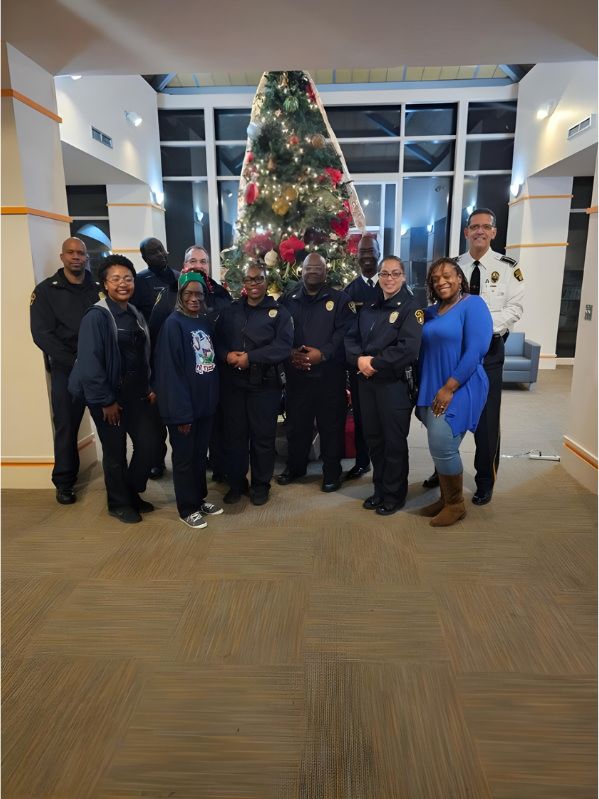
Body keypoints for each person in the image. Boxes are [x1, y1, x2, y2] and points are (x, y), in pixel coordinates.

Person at [422, 208, 524, 505]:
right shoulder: (452, 265)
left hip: (489, 349)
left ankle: (484, 480)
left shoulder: (508, 268)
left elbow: (514, 310)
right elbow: (438, 304)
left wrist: (477, 327)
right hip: (452, 351)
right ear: (466, 232)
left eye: (485, 227)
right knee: (441, 414)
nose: (479, 231)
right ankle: (441, 469)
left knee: (487, 419)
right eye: (474, 227)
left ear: (494, 232)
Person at [69, 255, 160, 523]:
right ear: (105, 283)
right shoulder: (97, 316)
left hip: (138, 394)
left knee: (150, 444)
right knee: (115, 452)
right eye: (116, 279)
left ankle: (131, 491)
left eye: (128, 278)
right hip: (109, 397)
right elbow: (89, 363)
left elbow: (146, 355)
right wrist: (106, 401)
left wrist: (151, 385)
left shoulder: (135, 313)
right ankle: (118, 503)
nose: (123, 284)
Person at [416, 257, 493, 526]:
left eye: (447, 275)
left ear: (460, 278)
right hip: (432, 385)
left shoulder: (473, 305)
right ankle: (446, 499)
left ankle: (456, 504)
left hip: (459, 384)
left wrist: (450, 387)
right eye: (435, 279)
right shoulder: (432, 311)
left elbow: (477, 350)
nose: (441, 281)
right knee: (438, 446)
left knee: (442, 443)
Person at [345, 256, 423, 515]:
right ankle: (379, 490)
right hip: (366, 383)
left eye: (395, 273)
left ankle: (394, 494)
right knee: (374, 440)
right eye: (385, 274)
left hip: (393, 385)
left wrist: (373, 362)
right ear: (378, 276)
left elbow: (408, 350)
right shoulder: (368, 307)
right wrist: (358, 359)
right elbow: (351, 338)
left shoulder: (411, 308)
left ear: (403, 277)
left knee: (393, 442)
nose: (389, 279)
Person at [148, 245, 232, 484]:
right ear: (184, 265)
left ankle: (213, 478)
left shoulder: (219, 296)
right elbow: (157, 344)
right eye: (192, 261)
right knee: (186, 452)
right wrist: (156, 383)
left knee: (207, 442)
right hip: (181, 389)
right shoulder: (169, 300)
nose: (198, 265)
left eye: (203, 261)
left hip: (211, 386)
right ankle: (188, 502)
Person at [215, 262, 293, 505]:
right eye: (249, 280)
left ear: (266, 281)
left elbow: (283, 347)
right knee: (235, 437)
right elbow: (216, 340)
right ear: (244, 284)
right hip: (234, 385)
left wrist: (251, 358)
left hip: (265, 385)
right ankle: (237, 483)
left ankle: (261, 484)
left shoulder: (279, 312)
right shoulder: (230, 311)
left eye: (259, 279)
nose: (254, 284)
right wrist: (226, 355)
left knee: (262, 438)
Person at [30, 237, 101, 504]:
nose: (76, 257)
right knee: (66, 427)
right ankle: (64, 483)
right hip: (66, 370)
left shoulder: (99, 287)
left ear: (86, 257)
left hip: (98, 370)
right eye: (70, 253)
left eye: (81, 253)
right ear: (62, 257)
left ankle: (118, 480)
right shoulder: (47, 290)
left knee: (111, 421)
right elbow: (42, 335)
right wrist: (76, 362)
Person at [278, 252, 355, 492]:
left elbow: (344, 334)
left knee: (331, 428)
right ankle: (296, 466)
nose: (312, 271)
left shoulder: (341, 300)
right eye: (308, 268)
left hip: (329, 378)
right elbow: (278, 334)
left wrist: (321, 355)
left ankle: (331, 472)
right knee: (296, 426)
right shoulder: (287, 300)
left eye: (318, 268)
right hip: (297, 378)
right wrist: (291, 354)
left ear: (326, 272)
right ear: (300, 271)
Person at [153, 272, 222, 528]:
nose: (194, 298)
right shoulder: (173, 325)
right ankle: (187, 508)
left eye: (199, 294)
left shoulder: (202, 321)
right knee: (184, 459)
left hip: (204, 407)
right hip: (184, 409)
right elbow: (170, 374)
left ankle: (199, 498)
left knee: (198, 457)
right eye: (189, 294)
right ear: (181, 295)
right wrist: (182, 414)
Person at [131, 237, 180, 480]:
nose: (160, 254)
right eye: (153, 252)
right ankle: (157, 459)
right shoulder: (139, 282)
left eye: (161, 248)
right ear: (144, 257)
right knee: (155, 414)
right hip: (152, 356)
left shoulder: (179, 277)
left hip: (178, 354)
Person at [343, 234, 383, 480]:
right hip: (359, 367)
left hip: (385, 365)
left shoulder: (390, 284)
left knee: (385, 417)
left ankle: (385, 464)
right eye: (363, 252)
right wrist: (358, 359)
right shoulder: (350, 291)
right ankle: (362, 461)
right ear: (356, 256)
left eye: (371, 251)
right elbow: (348, 333)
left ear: (379, 252)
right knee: (359, 416)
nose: (367, 256)